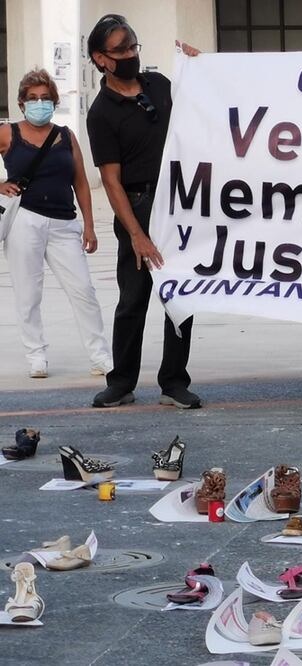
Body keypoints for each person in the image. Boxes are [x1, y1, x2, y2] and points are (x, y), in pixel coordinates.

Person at [85, 14, 202, 409]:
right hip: (137, 204)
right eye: (122, 50)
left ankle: (174, 381)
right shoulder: (102, 112)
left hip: (179, 202)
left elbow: (205, 109)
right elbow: (112, 181)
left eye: (135, 47)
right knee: (133, 298)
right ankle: (121, 382)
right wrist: (135, 233)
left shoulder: (160, 86)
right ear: (101, 58)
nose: (132, 55)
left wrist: (198, 67)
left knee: (180, 297)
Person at [1, 69, 112, 379]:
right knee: (28, 293)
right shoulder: (9, 134)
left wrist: (89, 225)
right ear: (22, 103)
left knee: (84, 291)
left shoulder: (65, 135)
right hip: (26, 220)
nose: (40, 103)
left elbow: (81, 181)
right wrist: (0, 184)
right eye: (33, 98)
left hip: (65, 223)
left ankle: (100, 355)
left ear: (54, 101)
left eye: (46, 98)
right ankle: (36, 356)